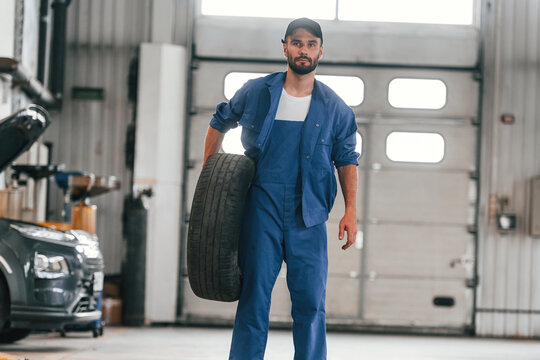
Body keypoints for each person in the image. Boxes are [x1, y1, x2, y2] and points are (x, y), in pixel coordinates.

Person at [202, 17, 359, 360]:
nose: (304, 50)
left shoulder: (336, 108)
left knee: (310, 304)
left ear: (321, 50)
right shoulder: (257, 92)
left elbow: (347, 159)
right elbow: (219, 121)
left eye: (311, 44)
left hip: (310, 214)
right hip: (262, 210)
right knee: (254, 298)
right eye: (297, 43)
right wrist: (209, 175)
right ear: (284, 46)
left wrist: (350, 210)